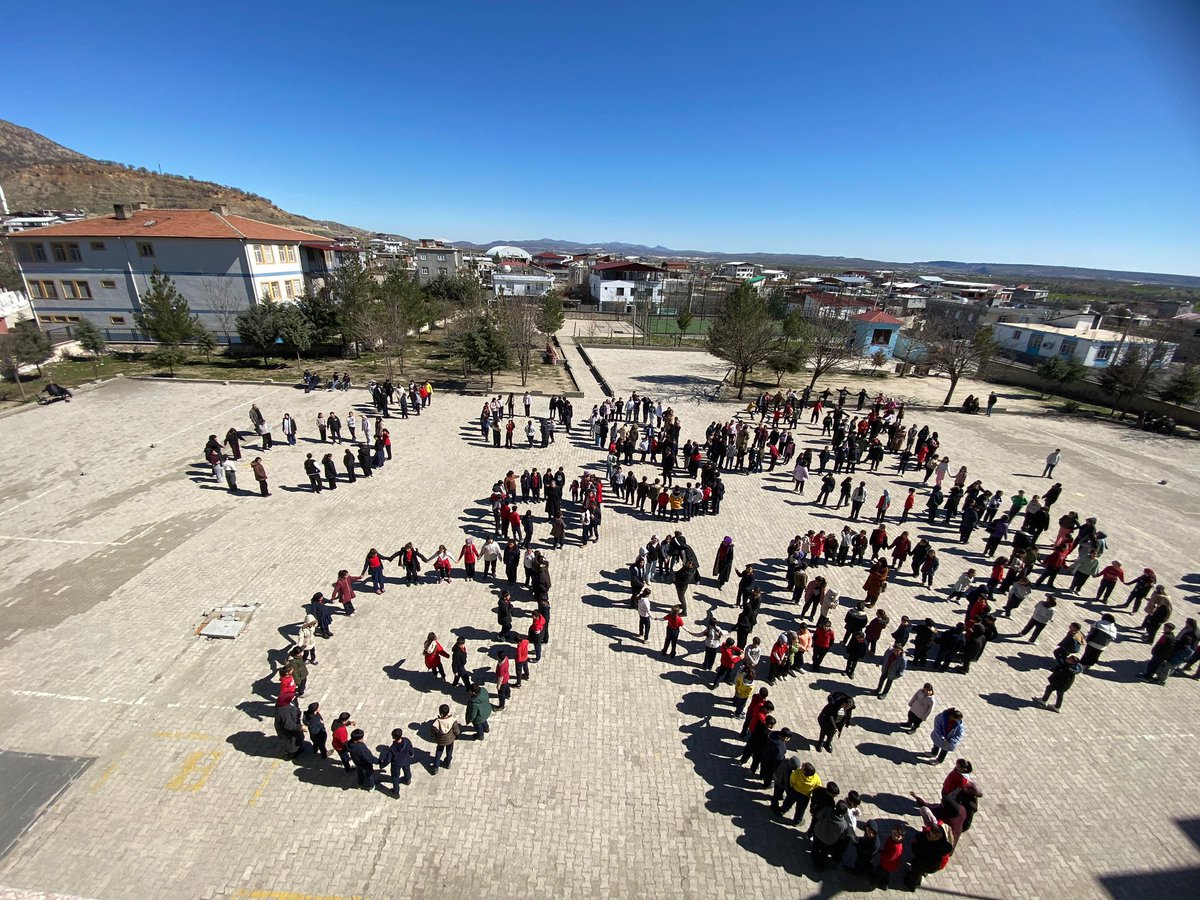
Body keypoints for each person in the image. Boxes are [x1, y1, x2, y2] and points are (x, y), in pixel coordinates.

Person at [777, 761, 822, 825]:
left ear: (804, 771)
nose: (802, 764)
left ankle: (782, 811)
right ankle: (797, 821)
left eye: (804, 766)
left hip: (794, 792)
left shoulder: (797, 773)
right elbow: (818, 788)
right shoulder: (816, 778)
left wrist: (791, 789)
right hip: (805, 796)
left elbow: (791, 781)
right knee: (800, 809)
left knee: (788, 803)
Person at [378, 727, 415, 795]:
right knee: (407, 770)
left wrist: (381, 765)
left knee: (395, 777)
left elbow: (387, 760)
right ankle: (407, 780)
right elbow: (410, 747)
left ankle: (396, 792)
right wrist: (412, 754)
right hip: (406, 760)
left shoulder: (392, 748)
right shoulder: (406, 740)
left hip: (396, 764)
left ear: (393, 737)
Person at [431, 704, 459, 773]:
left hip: (440, 740)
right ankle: (448, 763)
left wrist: (433, 735)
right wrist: (457, 735)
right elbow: (456, 729)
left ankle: (436, 766)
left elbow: (433, 730)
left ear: (440, 713)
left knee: (439, 752)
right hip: (450, 739)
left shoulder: (437, 722)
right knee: (449, 751)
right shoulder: (452, 720)